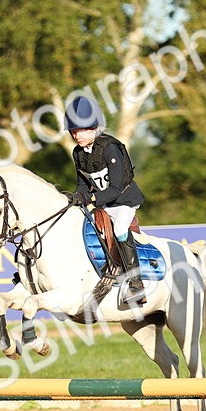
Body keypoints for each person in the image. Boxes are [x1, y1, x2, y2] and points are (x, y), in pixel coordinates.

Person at [63, 96, 147, 305]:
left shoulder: (110, 147)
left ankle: (136, 283)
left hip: (124, 201)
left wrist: (91, 197)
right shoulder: (78, 153)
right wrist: (76, 197)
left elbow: (116, 188)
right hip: (104, 203)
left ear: (94, 128)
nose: (76, 135)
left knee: (120, 228)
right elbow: (83, 184)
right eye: (73, 131)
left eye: (81, 130)